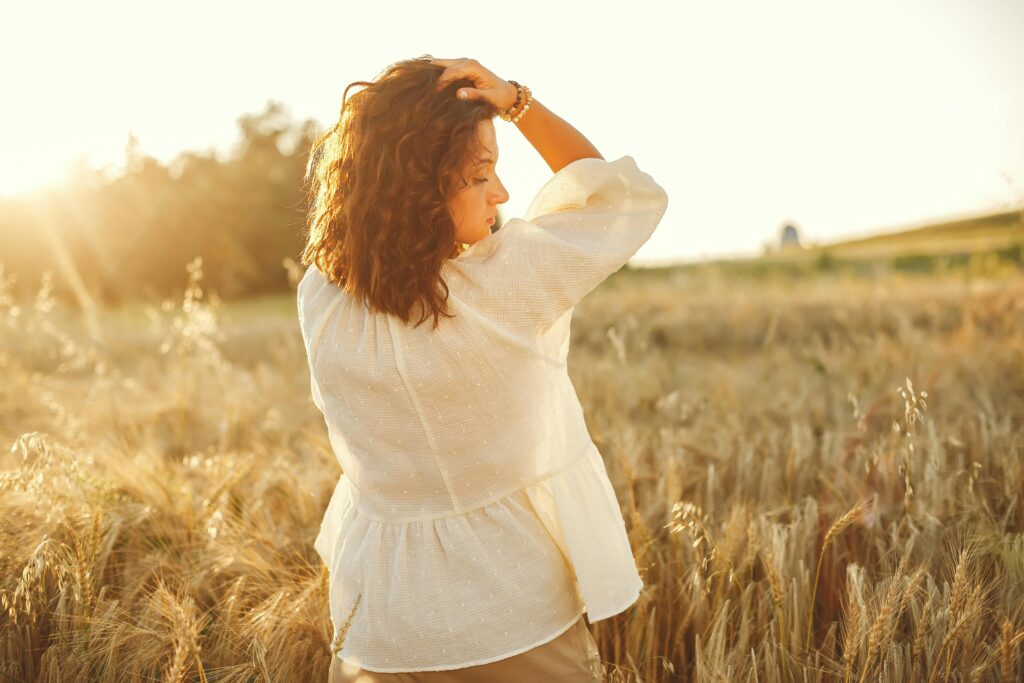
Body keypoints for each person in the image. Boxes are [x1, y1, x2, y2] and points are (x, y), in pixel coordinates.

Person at [297, 55, 669, 682]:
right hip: (512, 616)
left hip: (377, 622)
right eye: (481, 174)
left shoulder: (321, 298)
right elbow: (615, 196)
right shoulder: (506, 282)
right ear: (421, 184)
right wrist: (518, 102)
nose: (501, 193)